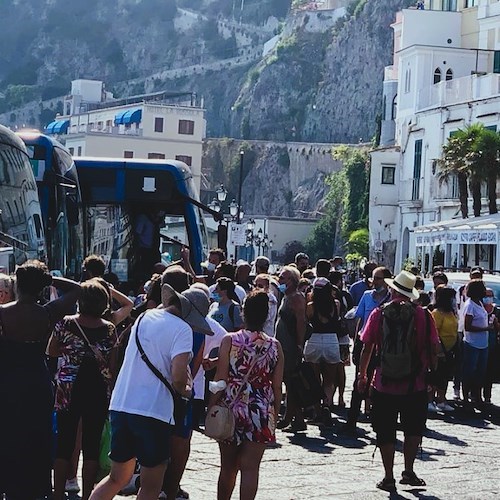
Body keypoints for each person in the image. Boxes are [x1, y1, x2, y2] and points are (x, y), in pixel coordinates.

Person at [89, 283, 212, 500]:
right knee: (151, 485)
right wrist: (187, 390)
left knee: (117, 477)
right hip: (153, 411)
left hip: (122, 404)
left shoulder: (145, 316)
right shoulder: (182, 329)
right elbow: (178, 378)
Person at [0, 260, 81, 500]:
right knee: (37, 436)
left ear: (17, 285)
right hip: (37, 381)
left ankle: (7, 485)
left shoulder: (3, 313)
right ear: (40, 287)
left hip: (7, 382)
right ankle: (35, 488)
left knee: (7, 435)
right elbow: (77, 289)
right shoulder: (47, 312)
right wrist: (49, 279)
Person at [357, 271, 439, 492]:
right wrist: (433, 376)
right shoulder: (423, 315)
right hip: (416, 383)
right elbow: (434, 348)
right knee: (413, 428)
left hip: (384, 382)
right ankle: (409, 471)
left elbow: (367, 347)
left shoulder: (378, 313)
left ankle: (388, 476)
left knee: (385, 429)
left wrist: (362, 375)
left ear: (392, 290)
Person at [209, 290, 284, 500]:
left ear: (244, 312)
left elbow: (221, 378)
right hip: (260, 410)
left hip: (231, 408)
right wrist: (274, 413)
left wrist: (211, 405)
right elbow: (277, 386)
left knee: (227, 468)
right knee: (251, 469)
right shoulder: (275, 346)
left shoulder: (230, 341)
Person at [48, 280, 117, 500]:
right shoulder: (109, 329)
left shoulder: (65, 323)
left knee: (64, 443)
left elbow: (51, 351)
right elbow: (112, 365)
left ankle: (58, 494)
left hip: (68, 388)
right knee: (91, 444)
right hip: (97, 388)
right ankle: (88, 495)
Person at [346, 267, 392, 432]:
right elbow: (360, 319)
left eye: (379, 279)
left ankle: (377, 418)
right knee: (360, 379)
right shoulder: (366, 296)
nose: (375, 282)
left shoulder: (391, 298)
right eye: (374, 278)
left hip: (383, 345)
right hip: (365, 343)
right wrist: (356, 339)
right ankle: (351, 420)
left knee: (379, 381)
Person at [303, 278, 341, 425]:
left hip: (314, 340)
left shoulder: (311, 306)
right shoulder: (335, 304)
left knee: (314, 379)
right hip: (332, 340)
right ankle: (327, 405)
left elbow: (307, 321)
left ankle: (317, 411)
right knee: (329, 380)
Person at [275, 266, 307, 432]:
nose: (280, 281)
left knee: (291, 381)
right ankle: (296, 418)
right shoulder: (286, 297)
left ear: (293, 281)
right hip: (283, 344)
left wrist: (299, 345)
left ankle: (291, 417)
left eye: (283, 278)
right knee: (289, 381)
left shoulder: (296, 298)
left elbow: (301, 322)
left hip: (290, 345)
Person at [462, 279, 491, 405]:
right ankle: (466, 398)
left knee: (480, 372)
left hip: (483, 344)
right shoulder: (470, 306)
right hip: (472, 343)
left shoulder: (479, 303)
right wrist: (485, 328)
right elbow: (467, 327)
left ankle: (477, 397)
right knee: (469, 371)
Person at [429, 286, 458, 413]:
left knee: (445, 376)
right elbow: (434, 333)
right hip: (439, 350)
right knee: (435, 376)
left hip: (451, 349)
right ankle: (430, 400)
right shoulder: (436, 313)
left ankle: (441, 400)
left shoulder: (451, 312)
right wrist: (439, 350)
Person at [483, 288, 500, 403]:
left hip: (492, 344)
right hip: (478, 343)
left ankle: (487, 396)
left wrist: (496, 324)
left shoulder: (497, 311)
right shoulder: (479, 309)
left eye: (490, 296)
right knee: (478, 370)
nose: (488, 298)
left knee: (489, 371)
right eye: (486, 296)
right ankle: (473, 394)